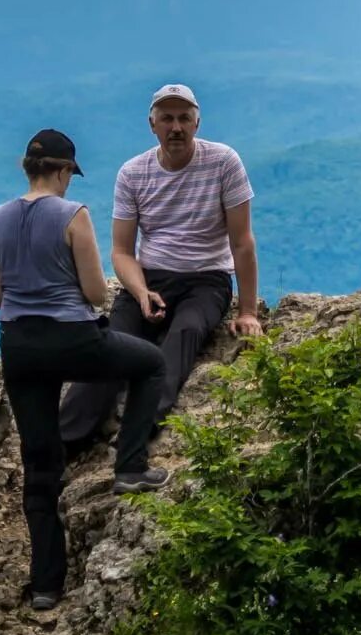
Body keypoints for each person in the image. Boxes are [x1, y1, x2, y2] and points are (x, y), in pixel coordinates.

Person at [0, 127, 169, 612]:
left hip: (19, 345)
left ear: (28, 168)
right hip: (71, 337)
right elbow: (92, 292)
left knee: (39, 462)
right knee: (149, 363)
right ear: (64, 171)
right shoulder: (73, 215)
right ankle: (130, 467)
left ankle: (46, 584)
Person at [59, 84, 262, 453]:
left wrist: (248, 311)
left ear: (197, 123)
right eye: (167, 119)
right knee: (110, 345)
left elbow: (242, 242)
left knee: (184, 333)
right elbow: (121, 251)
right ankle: (62, 444)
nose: (176, 128)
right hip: (150, 277)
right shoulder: (133, 173)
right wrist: (140, 292)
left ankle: (138, 430)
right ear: (152, 125)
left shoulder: (223, 162)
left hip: (207, 279)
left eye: (184, 118)